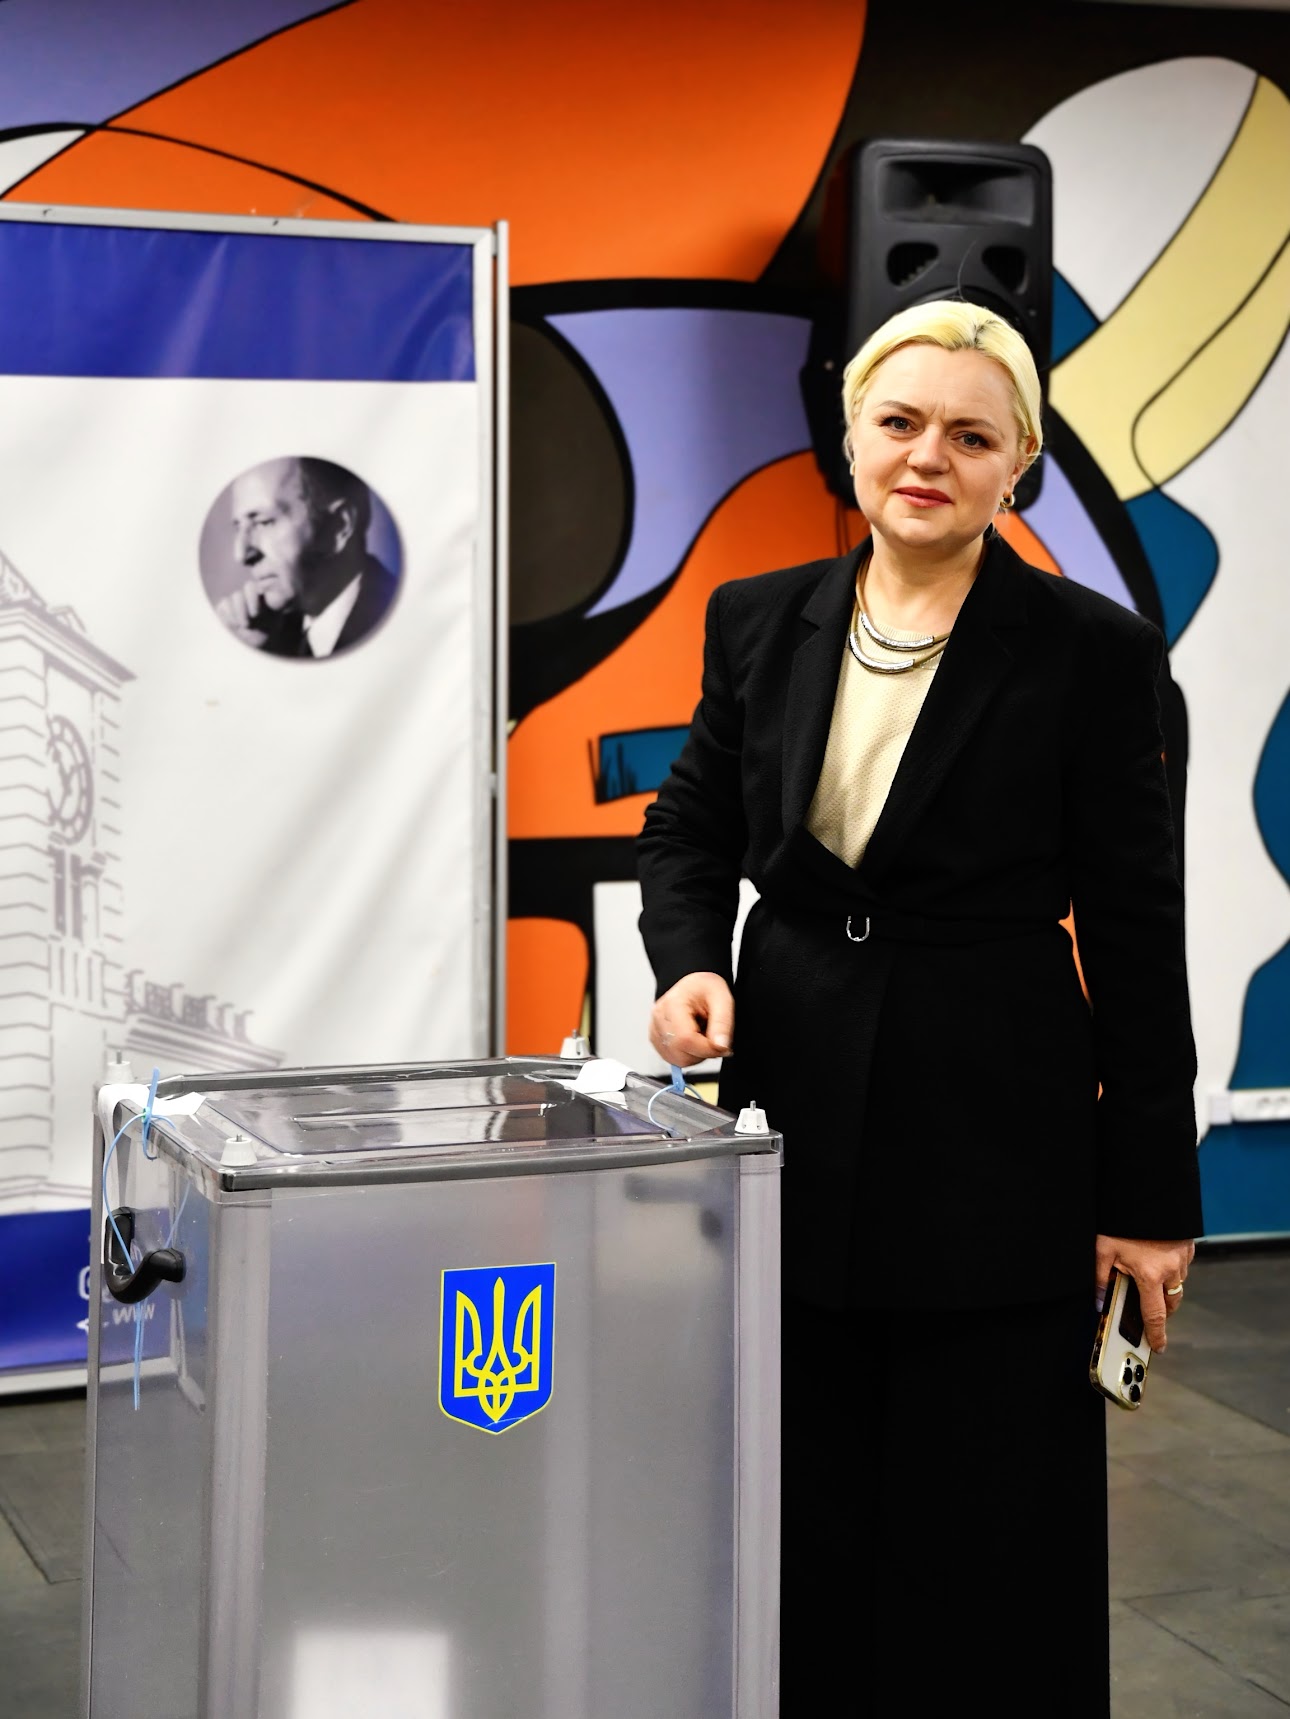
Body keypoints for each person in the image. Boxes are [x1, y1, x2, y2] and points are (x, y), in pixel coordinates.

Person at [636, 299, 1201, 1716]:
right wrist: (689, 959)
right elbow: (690, 824)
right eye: (897, 423)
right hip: (791, 1109)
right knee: (803, 1503)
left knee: (989, 1522)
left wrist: (1147, 1196)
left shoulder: (1091, 650)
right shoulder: (756, 618)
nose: (927, 457)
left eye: (969, 435)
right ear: (850, 440)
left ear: (1019, 464)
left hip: (994, 1132)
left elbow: (1136, 928)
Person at [215, 456, 397, 658]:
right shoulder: (266, 638)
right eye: (238, 527)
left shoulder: (402, 628)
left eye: (264, 522)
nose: (241, 555)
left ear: (339, 526)